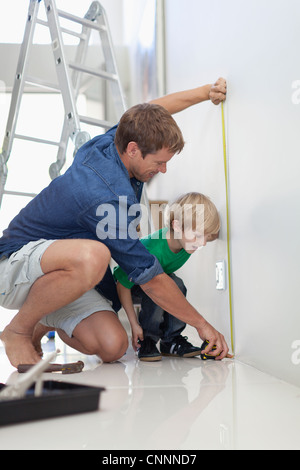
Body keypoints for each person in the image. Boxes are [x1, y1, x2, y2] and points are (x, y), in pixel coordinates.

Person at [0, 78, 229, 368]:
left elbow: (156, 109)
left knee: (114, 347)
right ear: (133, 150)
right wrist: (202, 324)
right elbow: (150, 279)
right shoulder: (105, 195)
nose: (163, 169)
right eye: (158, 162)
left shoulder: (117, 140)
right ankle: (17, 331)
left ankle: (43, 320)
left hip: (58, 275)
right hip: (13, 266)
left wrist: (203, 93)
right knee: (94, 256)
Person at [114, 192, 221, 361]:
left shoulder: (186, 240)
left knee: (175, 284)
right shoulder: (153, 250)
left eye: (205, 237)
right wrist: (134, 325)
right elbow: (122, 285)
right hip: (127, 285)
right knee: (161, 287)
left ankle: (171, 340)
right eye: (199, 236)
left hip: (155, 280)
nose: (202, 243)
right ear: (176, 226)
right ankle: (148, 340)